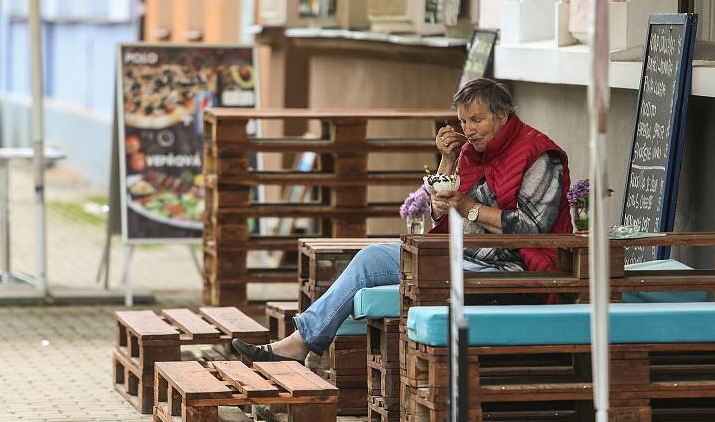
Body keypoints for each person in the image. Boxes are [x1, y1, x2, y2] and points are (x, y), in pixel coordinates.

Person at [233, 78, 573, 363]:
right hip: (462, 254)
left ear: (502, 116)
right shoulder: (472, 151)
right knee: (369, 257)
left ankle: (298, 346)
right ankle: (301, 341)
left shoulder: (539, 156)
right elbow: (439, 211)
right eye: (462, 121)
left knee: (414, 273)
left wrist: (468, 206)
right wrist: (447, 160)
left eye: (476, 120)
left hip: (511, 270)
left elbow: (535, 229)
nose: (467, 130)